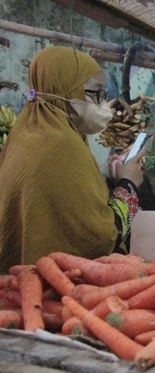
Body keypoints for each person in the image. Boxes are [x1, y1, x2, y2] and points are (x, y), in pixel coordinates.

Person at [0, 46, 145, 270]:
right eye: (95, 92)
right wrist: (129, 185)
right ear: (65, 91)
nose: (103, 103)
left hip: (17, 280)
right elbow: (101, 236)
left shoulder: (24, 135)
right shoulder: (59, 144)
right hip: (51, 285)